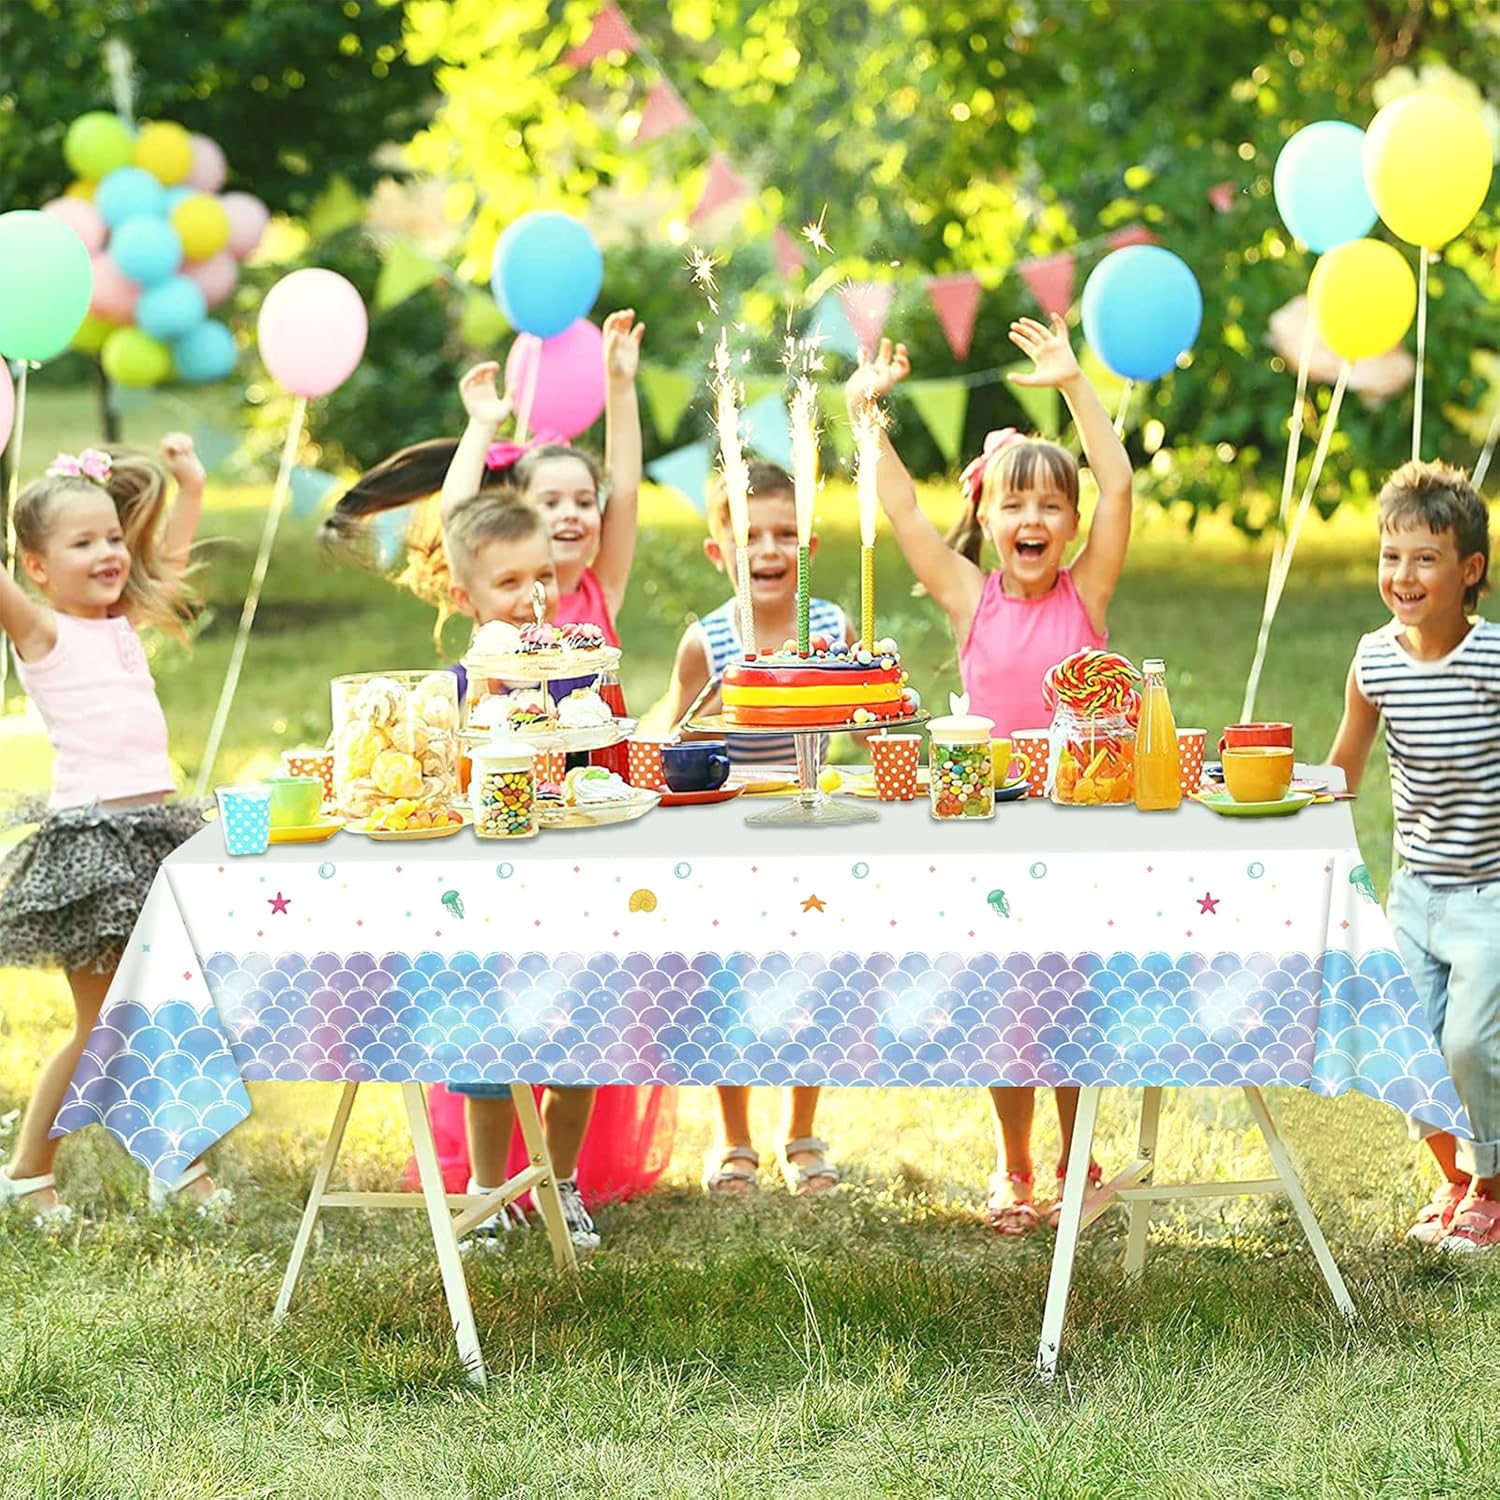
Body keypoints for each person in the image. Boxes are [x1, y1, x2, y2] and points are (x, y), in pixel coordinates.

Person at [322, 318, 671, 1251]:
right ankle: (484, 1190)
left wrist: (621, 386)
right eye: (548, 502)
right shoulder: (478, 656)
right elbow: (460, 524)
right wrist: (481, 425)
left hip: (587, 849)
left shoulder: (589, 608)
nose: (537, 588)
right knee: (486, 1035)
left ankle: (560, 1183)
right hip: (496, 865)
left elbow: (626, 488)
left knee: (587, 1030)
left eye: (580, 505)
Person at [846, 315, 1133, 1235]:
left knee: (1069, 1002)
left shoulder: (1087, 595)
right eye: (1015, 505)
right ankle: (1015, 1169)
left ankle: (1077, 1159)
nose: (1033, 520)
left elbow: (1121, 482)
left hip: (1076, 826)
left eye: (1051, 506)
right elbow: (901, 512)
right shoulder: (972, 598)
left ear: (1073, 525)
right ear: (988, 519)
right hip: (993, 830)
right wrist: (865, 413)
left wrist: (1074, 384)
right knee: (1010, 1009)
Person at [0, 437, 227, 1225]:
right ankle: (27, 1172)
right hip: (92, 850)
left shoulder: (123, 621)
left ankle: (179, 1167)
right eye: (83, 543)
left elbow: (169, 558)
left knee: (168, 1012)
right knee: (101, 1026)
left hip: (154, 837)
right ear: (36, 567)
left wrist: (189, 485)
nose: (108, 553)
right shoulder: (43, 633)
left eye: (112, 537)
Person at [651, 460, 850, 1197]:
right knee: (725, 983)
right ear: (718, 552)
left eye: (786, 534)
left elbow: (853, 716)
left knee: (812, 979)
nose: (768, 550)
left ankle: (801, 1130)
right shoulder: (706, 641)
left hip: (808, 827)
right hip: (728, 838)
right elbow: (674, 740)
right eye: (750, 536)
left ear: (810, 546)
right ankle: (733, 1135)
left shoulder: (831, 627)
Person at [1327, 460, 1500, 1253]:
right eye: (1391, 555)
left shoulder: (1491, 661)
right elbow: (1343, 772)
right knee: (1405, 1045)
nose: (1403, 575)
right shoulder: (1375, 660)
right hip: (1415, 892)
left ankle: (1491, 1188)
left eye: (1425, 558)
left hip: (1488, 893)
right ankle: (1455, 1179)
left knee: (1468, 1045)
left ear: (1470, 571)